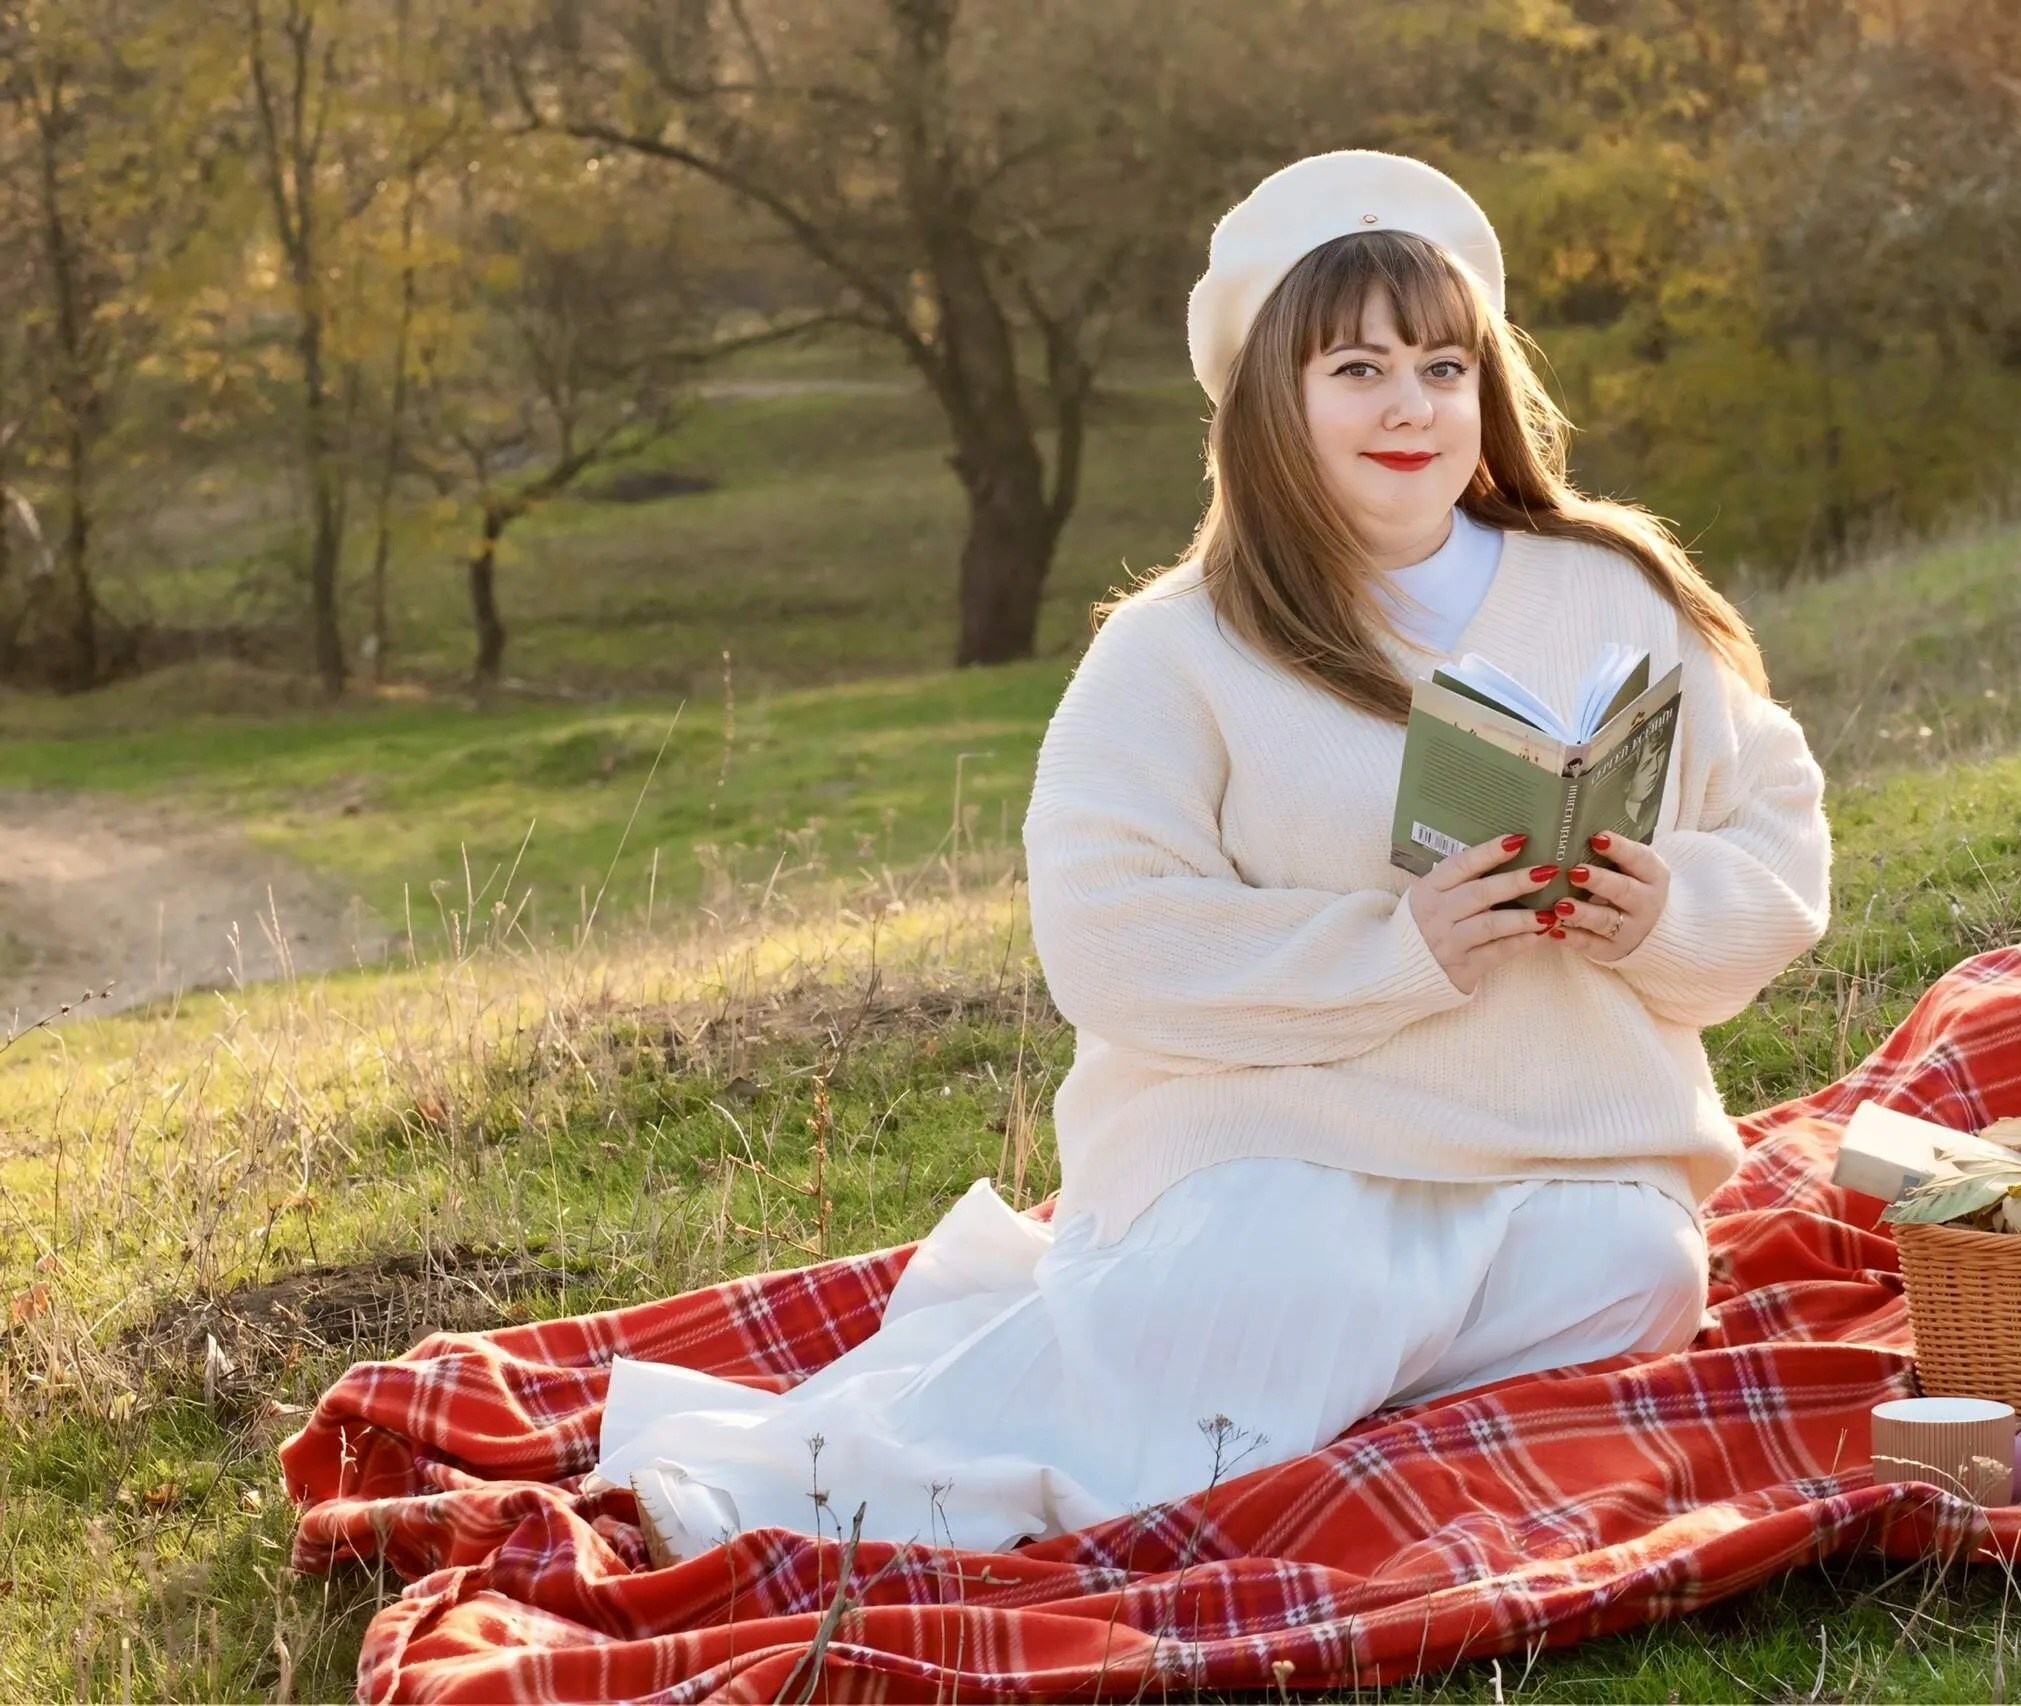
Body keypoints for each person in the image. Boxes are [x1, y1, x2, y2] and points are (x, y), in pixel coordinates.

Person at [585, 149, 1833, 1565]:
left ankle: (1249, 1409)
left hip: (1567, 1152)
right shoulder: (1173, 648)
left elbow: (1779, 826)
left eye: (1440, 363)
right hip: (1283, 1147)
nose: (1409, 405)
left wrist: (1666, 911)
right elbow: (1108, 939)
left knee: (1642, 1275)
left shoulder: (1611, 587)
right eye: (1355, 369)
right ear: (1268, 403)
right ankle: (815, 1487)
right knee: (1291, 1271)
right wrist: (1398, 952)